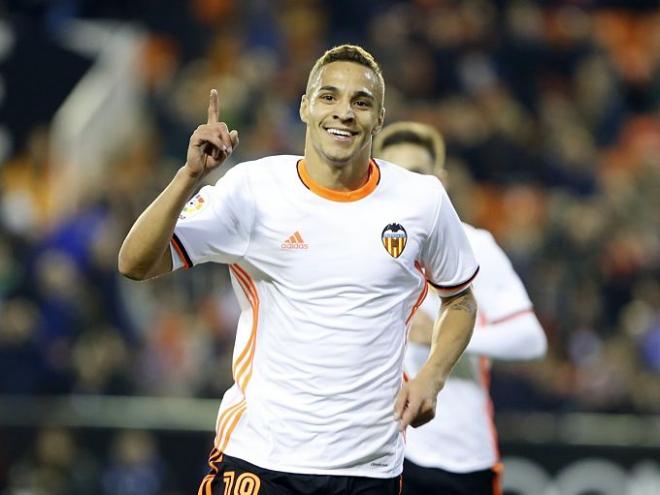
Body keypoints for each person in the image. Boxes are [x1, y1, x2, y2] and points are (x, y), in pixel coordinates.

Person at [118, 45, 479, 495]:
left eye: (361, 102)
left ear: (379, 118)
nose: (344, 112)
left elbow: (460, 297)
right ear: (305, 107)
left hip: (370, 469)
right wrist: (188, 177)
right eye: (329, 97)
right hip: (261, 459)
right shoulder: (254, 189)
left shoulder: (421, 201)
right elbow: (134, 263)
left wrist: (433, 374)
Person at [374, 121, 547, 495]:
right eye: (394, 173)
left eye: (417, 173)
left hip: (461, 454)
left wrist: (448, 333)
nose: (406, 184)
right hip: (380, 450)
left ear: (441, 180)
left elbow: (530, 340)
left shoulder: (474, 244)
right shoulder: (360, 241)